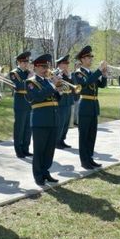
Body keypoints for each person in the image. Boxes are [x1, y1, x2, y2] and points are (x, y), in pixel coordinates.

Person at [26, 53, 61, 185]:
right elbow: (38, 97)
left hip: (52, 119)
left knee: (49, 149)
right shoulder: (30, 82)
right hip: (40, 120)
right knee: (39, 150)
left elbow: (57, 99)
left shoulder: (48, 82)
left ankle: (46, 172)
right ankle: (38, 175)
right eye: (42, 66)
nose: (46, 69)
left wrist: (59, 89)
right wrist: (52, 85)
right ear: (35, 67)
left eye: (47, 66)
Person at [72, 45, 107, 170]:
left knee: (92, 135)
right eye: (88, 57)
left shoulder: (92, 73)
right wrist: (99, 70)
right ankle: (84, 161)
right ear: (82, 59)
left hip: (93, 106)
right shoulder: (78, 73)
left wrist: (104, 74)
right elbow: (85, 84)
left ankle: (90, 158)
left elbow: (102, 85)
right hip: (85, 105)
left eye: (91, 57)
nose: (91, 59)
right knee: (84, 135)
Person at [9, 51, 33, 158]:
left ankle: (26, 148)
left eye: (27, 61)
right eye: (24, 62)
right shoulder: (14, 73)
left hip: (29, 103)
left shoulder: (29, 72)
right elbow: (19, 86)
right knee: (20, 127)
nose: (26, 63)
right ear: (18, 62)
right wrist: (30, 78)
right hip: (20, 103)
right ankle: (18, 150)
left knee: (28, 128)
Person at [54, 54, 74, 149]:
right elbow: (57, 86)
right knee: (60, 123)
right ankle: (57, 141)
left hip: (68, 100)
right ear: (59, 64)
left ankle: (62, 140)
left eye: (67, 63)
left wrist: (69, 75)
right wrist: (60, 75)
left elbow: (73, 86)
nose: (66, 65)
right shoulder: (55, 73)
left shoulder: (68, 74)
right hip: (60, 101)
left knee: (66, 123)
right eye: (64, 63)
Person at [71, 60, 82, 126]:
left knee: (77, 109)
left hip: (78, 94)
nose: (79, 66)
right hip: (72, 94)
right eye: (77, 65)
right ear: (75, 66)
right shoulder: (72, 74)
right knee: (72, 109)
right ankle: (71, 122)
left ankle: (76, 122)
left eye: (80, 65)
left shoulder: (81, 75)